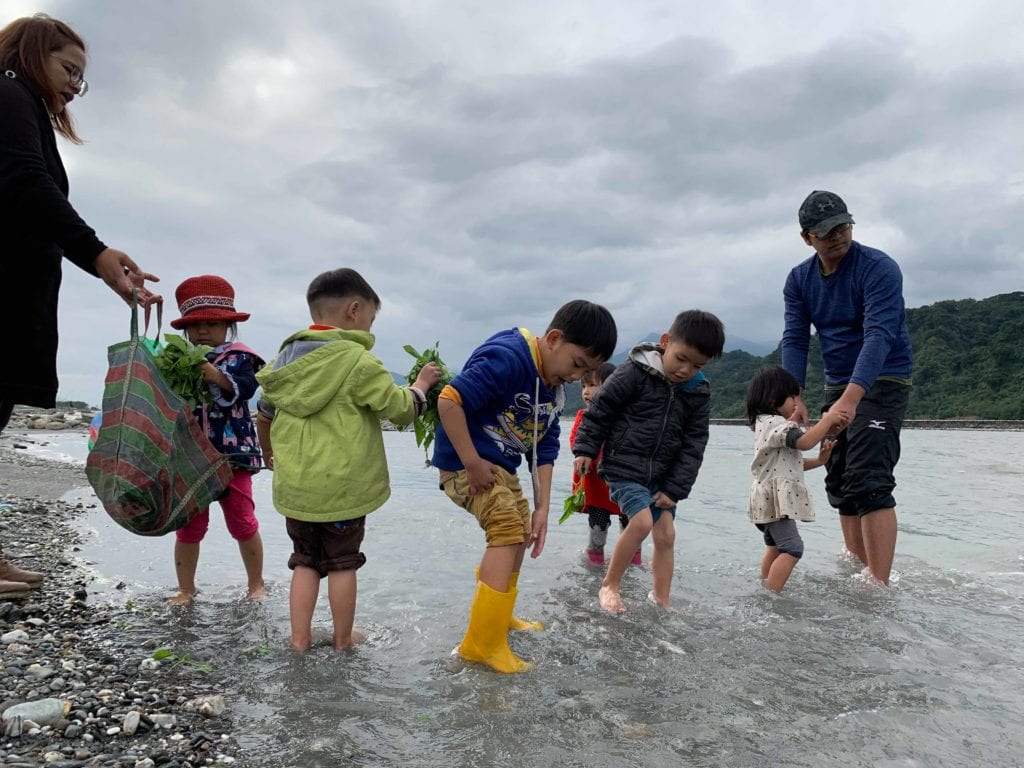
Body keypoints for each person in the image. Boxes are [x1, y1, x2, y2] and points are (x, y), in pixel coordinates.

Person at [0, 14, 158, 597]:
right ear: (32, 53)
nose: (74, 87)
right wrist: (95, 252)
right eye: (69, 70)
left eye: (80, 79)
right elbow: (25, 182)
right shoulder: (9, 92)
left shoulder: (21, 105)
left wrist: (98, 264)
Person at [255, 268, 440, 652]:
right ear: (354, 310)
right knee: (342, 563)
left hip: (297, 486)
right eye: (371, 319)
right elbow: (400, 409)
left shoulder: (282, 363)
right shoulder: (359, 362)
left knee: (304, 561)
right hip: (342, 487)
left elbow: (265, 415)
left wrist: (269, 451)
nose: (371, 328)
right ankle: (342, 641)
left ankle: (300, 639)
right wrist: (421, 386)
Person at [433, 300, 617, 673]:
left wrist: (543, 507)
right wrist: (469, 460)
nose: (576, 375)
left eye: (588, 371)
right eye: (577, 364)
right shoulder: (508, 357)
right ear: (553, 339)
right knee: (504, 528)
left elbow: (544, 451)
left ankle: (499, 618)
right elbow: (449, 400)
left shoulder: (552, 389)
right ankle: (481, 645)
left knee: (519, 531)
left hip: (502, 469)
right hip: (463, 464)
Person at [782, 191, 913, 586]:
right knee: (838, 475)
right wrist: (795, 397)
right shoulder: (799, 280)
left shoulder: (878, 268)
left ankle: (878, 583)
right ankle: (856, 565)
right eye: (826, 232)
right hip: (836, 380)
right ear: (808, 238)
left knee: (869, 477)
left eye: (843, 226)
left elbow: (879, 334)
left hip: (885, 376)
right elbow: (795, 338)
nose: (838, 236)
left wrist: (852, 398)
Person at [573, 310, 724, 614]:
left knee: (666, 534)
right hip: (624, 466)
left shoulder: (697, 391)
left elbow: (694, 444)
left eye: (697, 365)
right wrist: (585, 448)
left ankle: (661, 598)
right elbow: (601, 409)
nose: (685, 370)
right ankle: (610, 585)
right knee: (641, 521)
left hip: (664, 476)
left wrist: (675, 488)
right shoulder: (635, 371)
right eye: (681, 358)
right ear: (666, 342)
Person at [165, 276, 266, 606]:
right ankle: (185, 589)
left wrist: (214, 375)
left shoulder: (240, 357)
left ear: (228, 326)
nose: (203, 331)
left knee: (242, 521)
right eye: (195, 326)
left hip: (233, 456)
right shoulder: (177, 361)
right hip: (191, 459)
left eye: (212, 324)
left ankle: (256, 584)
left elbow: (246, 391)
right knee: (189, 525)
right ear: (185, 331)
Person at [745, 367, 845, 592]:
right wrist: (828, 420)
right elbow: (806, 441)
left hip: (763, 498)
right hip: (774, 501)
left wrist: (820, 461)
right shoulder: (777, 424)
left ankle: (765, 587)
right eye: (792, 397)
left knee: (775, 547)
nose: (796, 403)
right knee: (793, 548)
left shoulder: (764, 425)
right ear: (773, 400)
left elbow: (790, 464)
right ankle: (773, 595)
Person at [568, 363, 641, 568]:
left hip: (623, 480)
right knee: (598, 522)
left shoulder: (625, 418)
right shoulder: (583, 416)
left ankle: (632, 557)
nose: (586, 391)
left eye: (592, 385)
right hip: (596, 484)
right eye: (583, 386)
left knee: (630, 520)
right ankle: (595, 555)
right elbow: (575, 441)